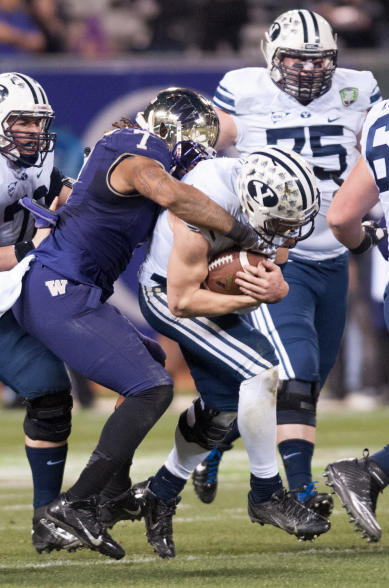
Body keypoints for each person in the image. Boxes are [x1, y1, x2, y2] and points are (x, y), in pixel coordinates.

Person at [9, 88, 277, 560]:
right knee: (151, 387)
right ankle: (75, 504)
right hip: (57, 287)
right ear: (175, 132)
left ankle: (108, 493)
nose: (202, 155)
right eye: (198, 142)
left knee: (150, 359)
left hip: (74, 288)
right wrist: (244, 234)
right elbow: (172, 194)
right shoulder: (138, 149)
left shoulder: (131, 147)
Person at [98, 143, 330, 560]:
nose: (287, 231)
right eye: (280, 220)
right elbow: (181, 302)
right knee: (261, 371)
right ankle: (266, 493)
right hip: (168, 295)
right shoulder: (203, 201)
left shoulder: (263, 197)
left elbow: (275, 253)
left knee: (223, 409)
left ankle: (161, 492)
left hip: (201, 292)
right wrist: (252, 300)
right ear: (254, 200)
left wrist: (277, 284)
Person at [191, 8, 382, 513]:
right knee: (296, 369)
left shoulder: (359, 88)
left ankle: (215, 442)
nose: (308, 69)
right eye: (295, 58)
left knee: (305, 382)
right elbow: (206, 153)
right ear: (271, 56)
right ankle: (297, 490)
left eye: (319, 60)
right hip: (277, 255)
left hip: (335, 254)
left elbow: (377, 153)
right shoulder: (242, 89)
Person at [323, 26, 389, 543]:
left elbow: (340, 217)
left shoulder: (383, 117)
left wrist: (370, 244)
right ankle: (372, 471)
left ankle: (373, 473)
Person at [0, 71, 83, 554]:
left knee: (50, 395)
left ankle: (47, 517)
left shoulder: (40, 156)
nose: (32, 131)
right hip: (10, 273)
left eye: (38, 121)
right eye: (21, 121)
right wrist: (32, 245)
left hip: (9, 289)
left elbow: (56, 195)